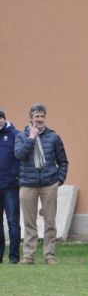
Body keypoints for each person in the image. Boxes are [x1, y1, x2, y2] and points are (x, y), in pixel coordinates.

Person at [15, 103, 68, 265]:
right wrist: (31, 137)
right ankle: (28, 256)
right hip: (27, 184)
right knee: (29, 223)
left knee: (50, 222)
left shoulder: (53, 137)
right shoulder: (21, 136)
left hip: (49, 184)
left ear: (45, 118)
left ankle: (49, 256)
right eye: (36, 116)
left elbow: (63, 161)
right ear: (30, 118)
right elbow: (19, 155)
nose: (39, 120)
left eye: (42, 116)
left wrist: (59, 180)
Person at [0, 108, 21, 264]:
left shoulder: (15, 134)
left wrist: (18, 176)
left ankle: (14, 257)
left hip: (11, 186)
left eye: (0, 118)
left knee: (13, 222)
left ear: (4, 119)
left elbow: (22, 156)